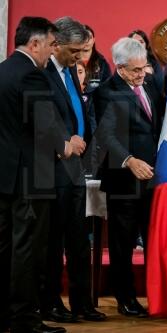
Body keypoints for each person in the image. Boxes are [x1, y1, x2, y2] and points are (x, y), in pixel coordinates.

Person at [0, 16, 84, 333]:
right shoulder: (32, 75)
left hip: (5, 177)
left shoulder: (2, 71)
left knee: (5, 247)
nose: (51, 51)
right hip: (31, 179)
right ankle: (25, 319)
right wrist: (65, 146)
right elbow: (44, 126)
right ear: (34, 43)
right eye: (50, 44)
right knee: (27, 250)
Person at [41, 16, 106, 323]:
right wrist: (67, 142)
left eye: (84, 51)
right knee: (54, 242)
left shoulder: (69, 71)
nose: (80, 57)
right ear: (57, 44)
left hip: (76, 167)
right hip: (54, 166)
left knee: (80, 240)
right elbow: (45, 118)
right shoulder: (42, 73)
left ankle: (82, 303)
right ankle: (51, 302)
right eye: (76, 51)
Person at [94, 37, 164, 317]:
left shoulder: (148, 84)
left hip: (152, 180)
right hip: (123, 181)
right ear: (120, 68)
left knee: (153, 240)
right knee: (123, 245)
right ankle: (125, 299)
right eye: (135, 70)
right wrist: (129, 160)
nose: (142, 74)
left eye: (144, 67)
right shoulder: (106, 92)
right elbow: (106, 135)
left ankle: (156, 295)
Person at [80, 25, 111, 92]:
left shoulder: (102, 62)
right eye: (84, 38)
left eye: (89, 38)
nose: (87, 41)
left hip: (96, 100)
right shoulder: (71, 61)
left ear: (94, 40)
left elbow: (108, 86)